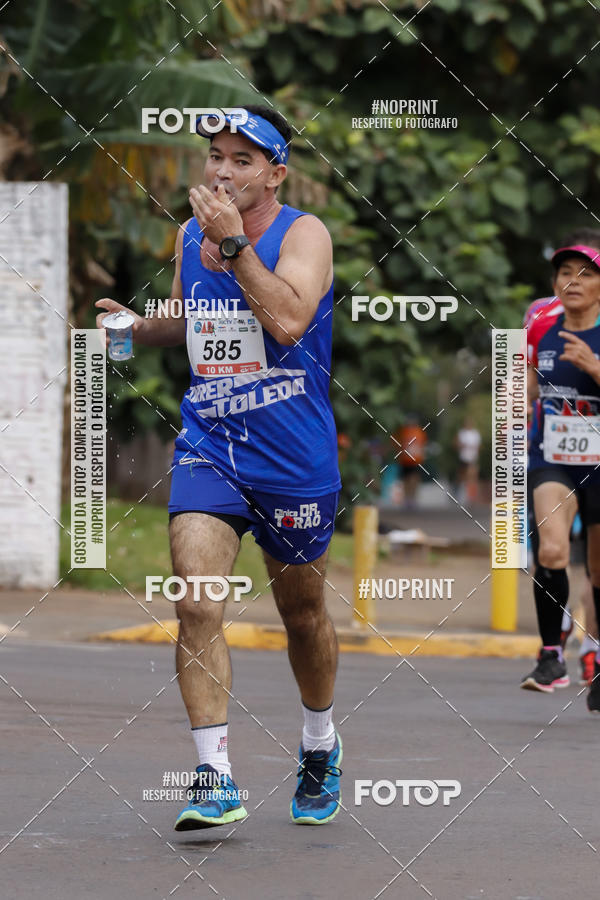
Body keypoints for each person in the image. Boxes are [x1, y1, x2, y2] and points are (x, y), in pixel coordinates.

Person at [96, 104, 344, 825]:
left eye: (242, 159)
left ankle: (321, 744)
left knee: (302, 615)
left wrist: (235, 248)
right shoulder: (187, 234)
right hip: (211, 446)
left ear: (276, 172)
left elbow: (290, 319)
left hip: (294, 458)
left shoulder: (306, 235)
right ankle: (214, 776)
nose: (223, 171)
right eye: (215, 157)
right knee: (198, 600)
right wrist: (140, 329)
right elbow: (193, 318)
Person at [522, 237, 600, 712]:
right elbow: (522, 388)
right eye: (565, 273)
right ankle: (552, 655)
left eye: (586, 273)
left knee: (597, 571)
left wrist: (594, 367)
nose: (573, 281)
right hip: (552, 459)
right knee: (550, 547)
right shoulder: (539, 329)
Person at [455, 417, 481, 505]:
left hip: (472, 458)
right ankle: (460, 494)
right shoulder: (461, 433)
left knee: (472, 477)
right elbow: (456, 444)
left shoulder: (475, 433)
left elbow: (478, 446)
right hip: (463, 458)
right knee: (462, 477)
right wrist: (462, 445)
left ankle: (471, 497)